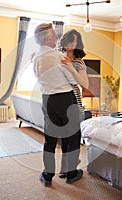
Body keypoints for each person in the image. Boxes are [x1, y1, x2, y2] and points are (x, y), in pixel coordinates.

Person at [32, 23, 83, 187]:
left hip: (47, 100)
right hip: (65, 99)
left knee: (50, 139)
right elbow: (74, 80)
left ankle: (47, 175)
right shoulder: (57, 57)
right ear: (47, 39)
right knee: (73, 136)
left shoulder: (35, 57)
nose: (57, 38)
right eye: (54, 35)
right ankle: (71, 173)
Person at [58, 29, 90, 178]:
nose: (71, 43)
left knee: (74, 136)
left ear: (78, 44)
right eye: (69, 40)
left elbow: (85, 84)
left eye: (74, 41)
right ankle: (66, 167)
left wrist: (71, 67)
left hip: (74, 102)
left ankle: (70, 167)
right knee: (64, 136)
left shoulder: (79, 62)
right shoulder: (58, 56)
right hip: (59, 101)